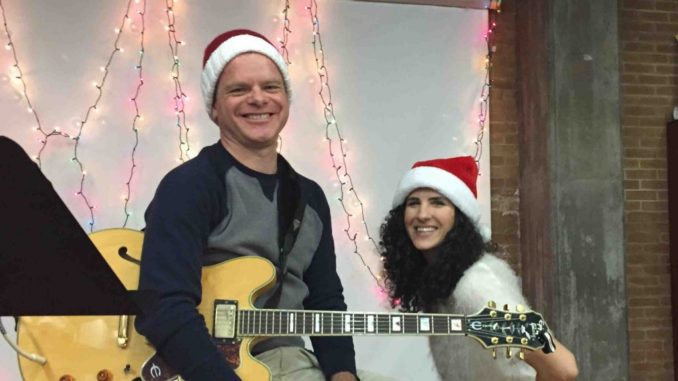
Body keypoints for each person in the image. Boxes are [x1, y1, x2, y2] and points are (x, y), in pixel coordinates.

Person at [135, 29, 377, 381]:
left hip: (292, 362)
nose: (258, 99)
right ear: (214, 108)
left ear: (287, 101)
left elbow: (325, 300)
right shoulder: (190, 186)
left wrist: (343, 373)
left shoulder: (310, 198)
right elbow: (165, 308)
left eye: (270, 87)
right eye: (238, 89)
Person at [379, 156, 579, 381]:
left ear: (459, 217)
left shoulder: (475, 284)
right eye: (413, 202)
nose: (423, 214)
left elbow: (563, 367)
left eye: (438, 202)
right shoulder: (441, 281)